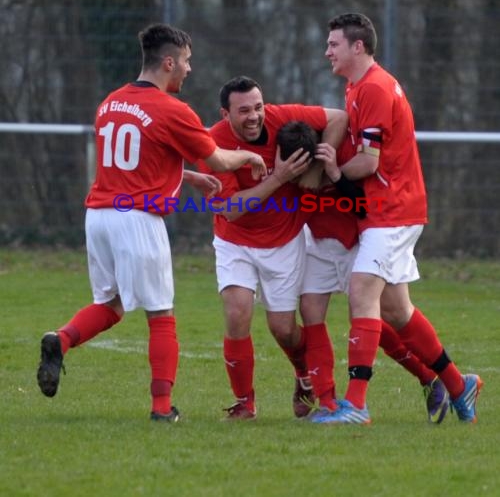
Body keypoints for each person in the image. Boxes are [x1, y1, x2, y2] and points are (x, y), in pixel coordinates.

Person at [36, 23, 268, 423]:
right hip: (138, 220)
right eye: (187, 61)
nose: (189, 69)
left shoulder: (110, 103)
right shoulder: (172, 109)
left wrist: (188, 177)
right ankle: (162, 409)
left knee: (110, 305)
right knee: (161, 314)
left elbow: (140, 158)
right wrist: (247, 157)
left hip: (99, 215)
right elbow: (218, 159)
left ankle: (61, 339)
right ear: (168, 62)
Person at [309, 12, 482, 424]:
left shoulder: (374, 88)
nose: (327, 50)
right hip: (383, 210)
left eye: (333, 44)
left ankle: (355, 405)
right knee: (397, 311)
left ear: (358, 46)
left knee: (361, 292)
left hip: (393, 209)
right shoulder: (357, 86)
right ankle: (460, 385)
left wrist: (331, 172)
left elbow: (368, 163)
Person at [277, 121, 450, 424]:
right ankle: (328, 403)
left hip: (352, 244)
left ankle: (430, 378)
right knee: (311, 312)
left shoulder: (342, 156)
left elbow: (361, 205)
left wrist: (334, 173)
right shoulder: (285, 160)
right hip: (315, 243)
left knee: (378, 322)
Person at [197, 75, 348, 420]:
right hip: (235, 241)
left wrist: (320, 168)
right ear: (225, 114)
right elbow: (232, 210)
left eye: (258, 107)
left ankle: (304, 375)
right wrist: (278, 178)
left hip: (284, 241)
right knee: (237, 312)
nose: (254, 116)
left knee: (283, 328)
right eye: (244, 111)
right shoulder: (212, 144)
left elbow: (339, 117)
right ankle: (244, 402)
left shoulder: (282, 117)